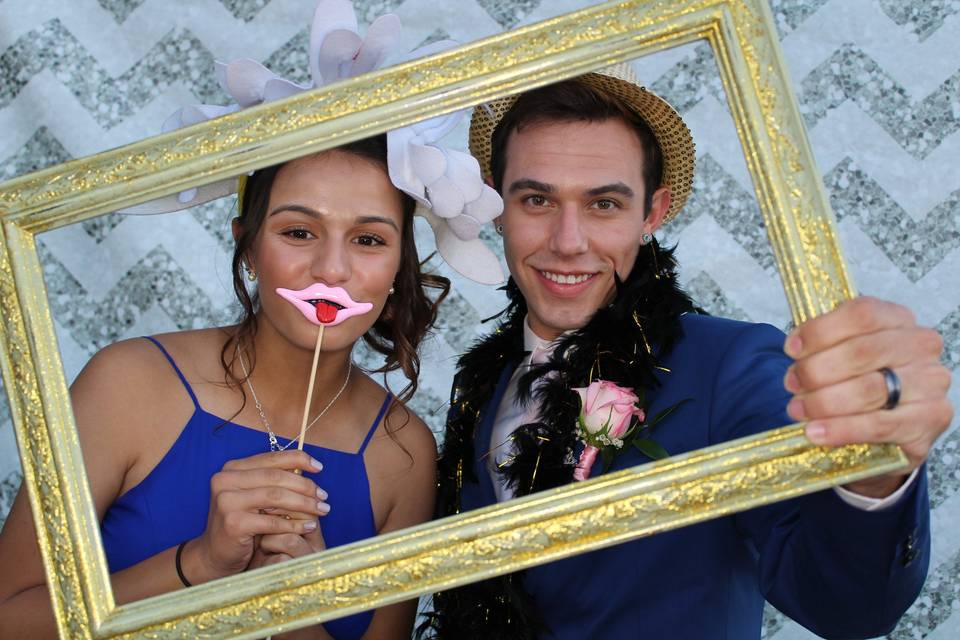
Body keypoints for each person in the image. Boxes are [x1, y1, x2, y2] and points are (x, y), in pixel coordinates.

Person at [0, 2, 504, 638]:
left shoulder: (404, 455)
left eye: (369, 240)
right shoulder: (126, 384)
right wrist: (201, 564)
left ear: (402, 262)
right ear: (246, 241)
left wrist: (291, 598)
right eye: (298, 231)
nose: (332, 269)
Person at [421, 65, 953, 639]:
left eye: (604, 204)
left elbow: (847, 605)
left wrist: (871, 474)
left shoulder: (732, 365)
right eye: (537, 200)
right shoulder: (480, 385)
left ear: (652, 213)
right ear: (499, 207)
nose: (568, 242)